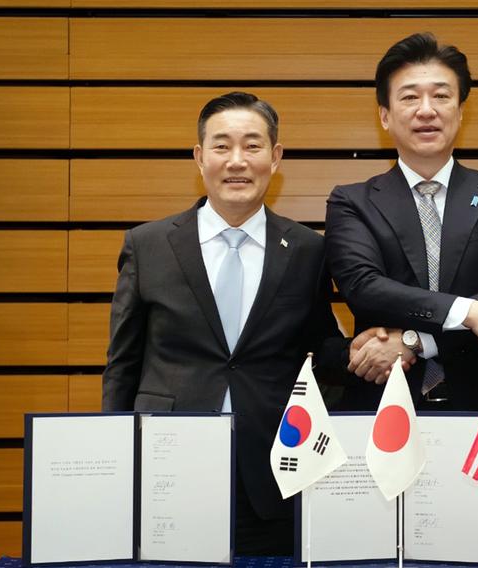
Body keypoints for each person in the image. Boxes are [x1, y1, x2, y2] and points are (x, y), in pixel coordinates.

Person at [101, 91, 385, 555]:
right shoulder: (147, 245)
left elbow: (319, 347)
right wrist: (115, 460)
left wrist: (363, 347)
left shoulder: (308, 250)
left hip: (272, 470)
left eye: (252, 146)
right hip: (168, 466)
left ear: (275, 158)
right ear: (199, 157)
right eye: (221, 146)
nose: (237, 161)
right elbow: (122, 364)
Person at [325, 32, 478, 416]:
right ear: (385, 116)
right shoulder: (351, 200)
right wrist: (472, 314)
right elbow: (365, 288)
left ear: (460, 111)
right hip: (384, 409)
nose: (427, 110)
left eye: (441, 96)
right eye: (409, 97)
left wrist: (417, 341)